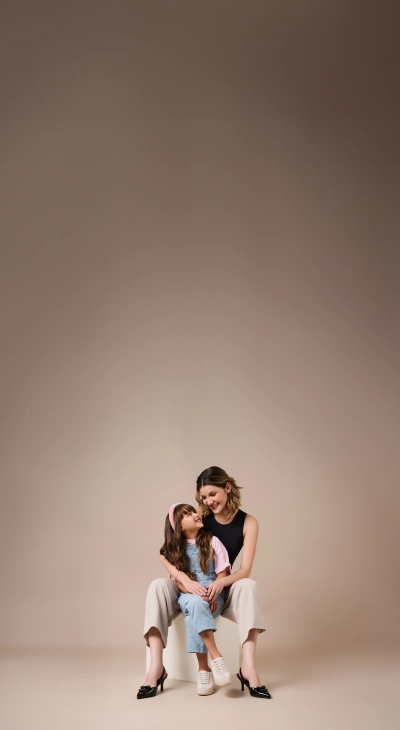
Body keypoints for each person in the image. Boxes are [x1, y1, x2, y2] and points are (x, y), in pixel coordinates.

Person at [139, 467, 272, 699]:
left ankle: (248, 669)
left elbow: (245, 570)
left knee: (249, 585)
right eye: (203, 497)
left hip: (221, 584)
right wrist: (183, 580)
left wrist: (219, 585)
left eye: (213, 494)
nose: (208, 502)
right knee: (157, 586)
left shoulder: (249, 523)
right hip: (187, 587)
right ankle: (156, 668)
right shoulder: (200, 517)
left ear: (227, 488)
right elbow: (171, 550)